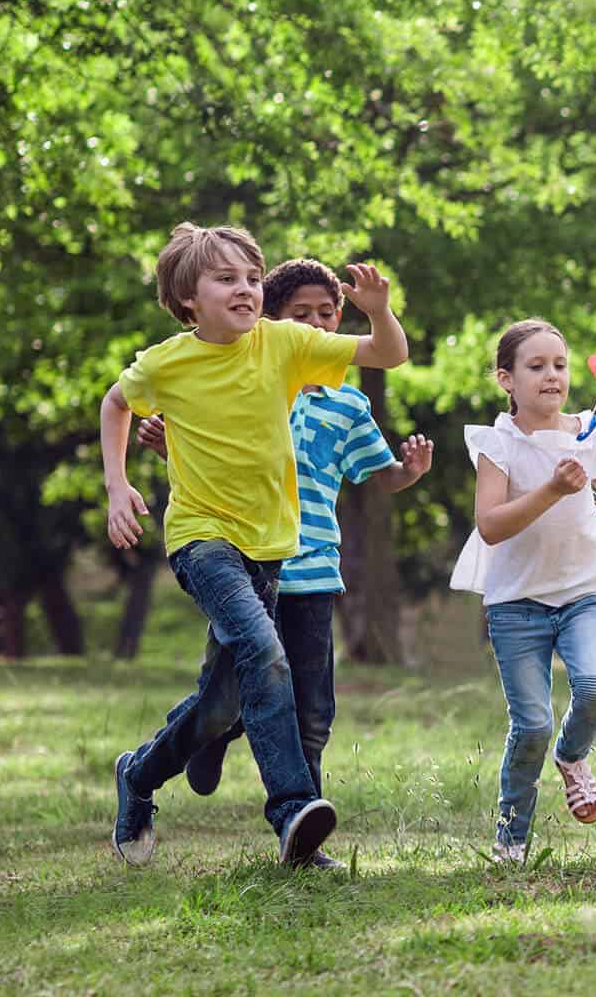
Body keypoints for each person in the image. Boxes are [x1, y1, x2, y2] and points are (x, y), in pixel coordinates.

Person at [103, 222, 407, 866]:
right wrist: (117, 484)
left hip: (270, 547)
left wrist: (379, 312)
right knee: (268, 656)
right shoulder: (166, 362)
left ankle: (139, 773)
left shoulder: (285, 343)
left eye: (250, 277)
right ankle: (294, 810)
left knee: (222, 705)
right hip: (201, 540)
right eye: (225, 279)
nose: (244, 289)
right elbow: (116, 403)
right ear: (189, 299)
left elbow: (387, 354)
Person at [450, 318, 596, 865]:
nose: (552, 376)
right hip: (515, 604)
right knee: (531, 726)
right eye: (536, 366)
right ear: (506, 379)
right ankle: (511, 838)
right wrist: (551, 488)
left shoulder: (586, 431)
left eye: (560, 365)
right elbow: (490, 526)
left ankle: (572, 755)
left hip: (581, 593)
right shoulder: (498, 443)